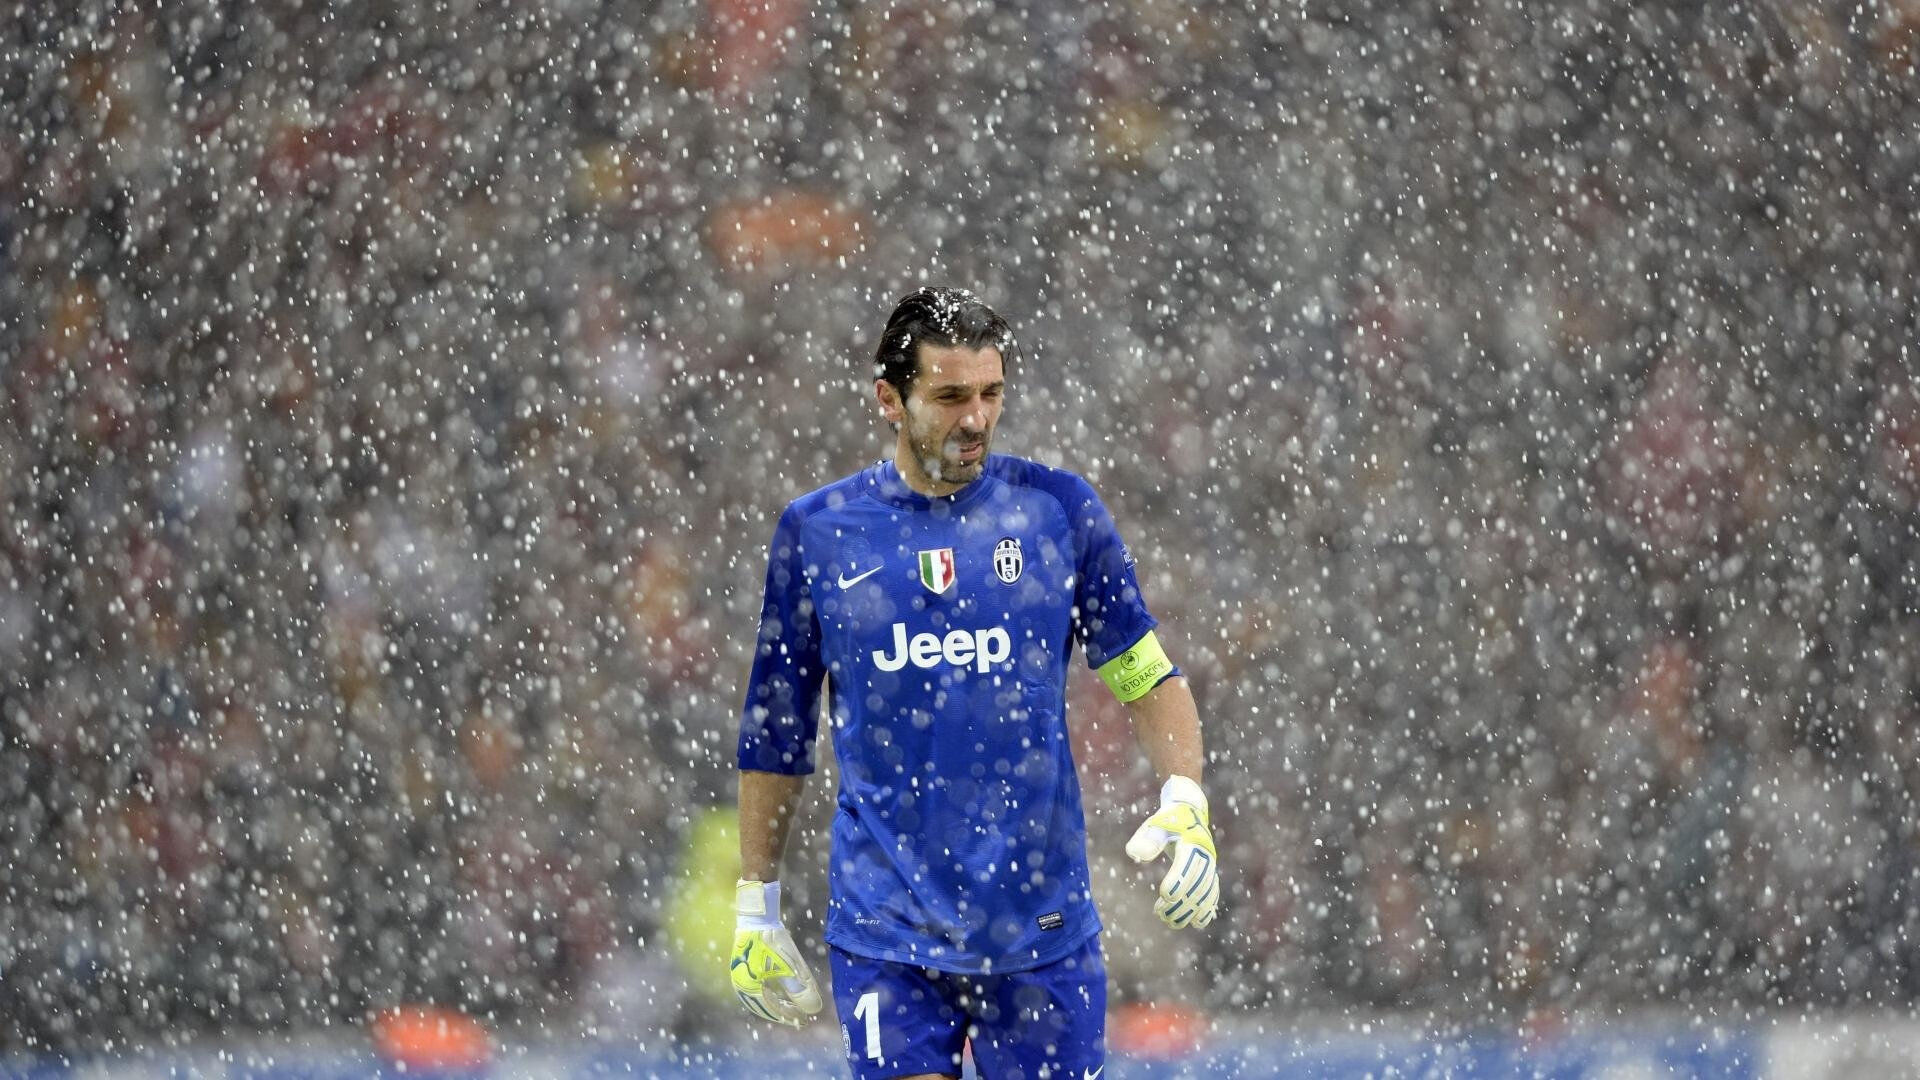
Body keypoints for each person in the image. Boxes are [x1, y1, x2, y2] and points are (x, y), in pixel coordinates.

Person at [729, 286, 1219, 1080]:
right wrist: (756, 902)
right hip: (888, 934)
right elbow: (776, 730)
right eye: (951, 396)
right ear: (889, 398)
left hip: (1041, 929)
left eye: (991, 393)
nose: (977, 418)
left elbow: (1145, 674)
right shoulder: (819, 534)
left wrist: (1186, 797)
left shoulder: (1058, 513)